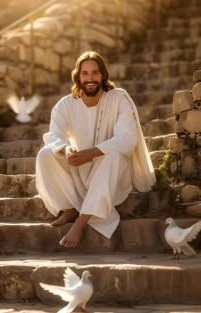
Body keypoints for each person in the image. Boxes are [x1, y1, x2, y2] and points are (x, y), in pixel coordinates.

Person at [36, 51, 156, 248]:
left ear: (103, 75)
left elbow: (127, 139)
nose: (90, 79)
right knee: (46, 154)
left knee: (115, 156)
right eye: (85, 73)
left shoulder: (118, 99)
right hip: (81, 170)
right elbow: (54, 135)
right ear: (78, 76)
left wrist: (90, 153)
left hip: (112, 176)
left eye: (95, 73)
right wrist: (66, 149)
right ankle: (69, 208)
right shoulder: (65, 104)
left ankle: (82, 222)